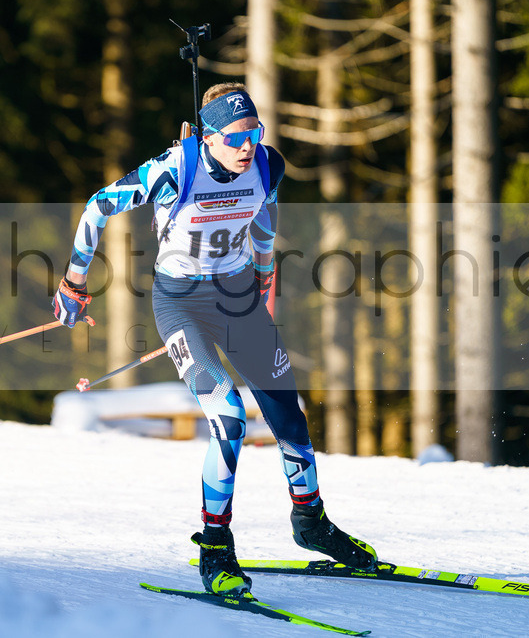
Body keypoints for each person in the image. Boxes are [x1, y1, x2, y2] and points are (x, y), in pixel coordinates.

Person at [53, 83, 377, 597]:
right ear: (208, 137)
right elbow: (97, 207)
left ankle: (310, 522)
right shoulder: (174, 169)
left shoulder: (267, 165)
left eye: (255, 132)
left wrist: (266, 280)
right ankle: (216, 546)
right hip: (181, 305)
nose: (248, 145)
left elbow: (266, 220)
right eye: (236, 136)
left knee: (287, 412)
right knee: (227, 416)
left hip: (239, 299)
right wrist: (74, 280)